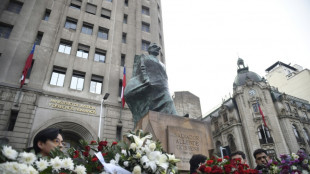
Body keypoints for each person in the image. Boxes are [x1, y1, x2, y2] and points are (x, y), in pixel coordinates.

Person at [124, 43, 177, 123]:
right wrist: (146, 79)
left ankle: (174, 117)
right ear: (150, 49)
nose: (158, 49)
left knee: (168, 100)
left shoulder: (162, 64)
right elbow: (142, 69)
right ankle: (175, 117)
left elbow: (165, 76)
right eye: (155, 47)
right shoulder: (144, 58)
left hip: (161, 85)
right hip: (149, 84)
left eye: (158, 48)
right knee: (168, 100)